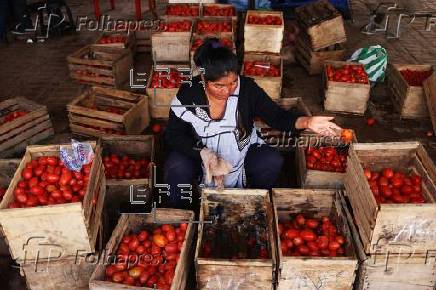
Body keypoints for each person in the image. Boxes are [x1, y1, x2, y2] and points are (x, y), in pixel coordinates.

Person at [163, 37, 341, 208]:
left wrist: (307, 121)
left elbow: (276, 116)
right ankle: (184, 213)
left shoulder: (247, 89)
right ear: (203, 79)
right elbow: (173, 135)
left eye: (232, 83)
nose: (227, 91)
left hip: (241, 154)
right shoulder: (188, 95)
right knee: (176, 165)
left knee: (271, 161)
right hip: (199, 158)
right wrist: (202, 153)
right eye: (219, 86)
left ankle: (252, 202)